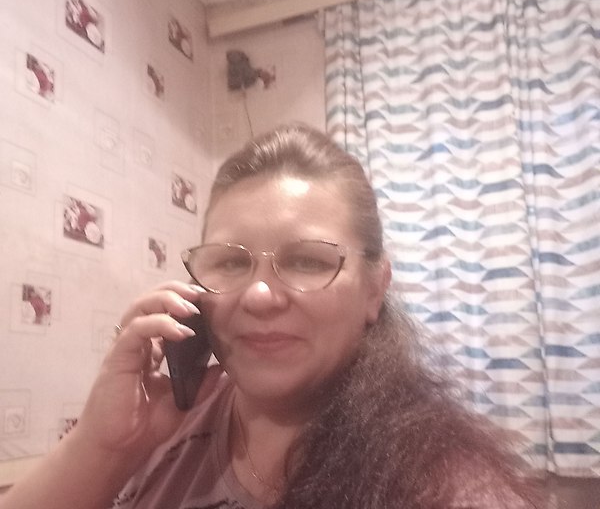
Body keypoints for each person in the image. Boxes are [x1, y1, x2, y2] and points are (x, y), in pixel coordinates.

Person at [0, 123, 547, 509]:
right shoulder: (165, 420)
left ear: (375, 289)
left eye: (308, 261)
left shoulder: (444, 487)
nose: (259, 296)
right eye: (231, 262)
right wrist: (102, 446)